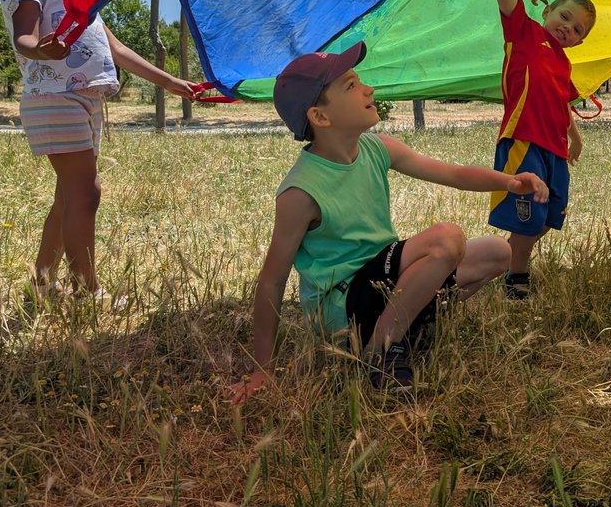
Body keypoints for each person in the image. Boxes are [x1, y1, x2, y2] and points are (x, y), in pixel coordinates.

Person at [229, 42, 549, 403]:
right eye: (350, 86)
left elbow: (453, 173)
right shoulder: (301, 192)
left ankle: (405, 323)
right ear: (320, 117)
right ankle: (380, 352)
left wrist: (507, 181)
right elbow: (272, 280)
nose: (368, 89)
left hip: (383, 280)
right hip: (344, 306)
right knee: (446, 239)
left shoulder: (376, 147)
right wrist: (262, 368)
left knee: (498, 251)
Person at [0, 0, 196, 302]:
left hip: (84, 99)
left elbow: (115, 48)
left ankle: (42, 282)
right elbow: (24, 37)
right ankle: (87, 290)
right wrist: (41, 49)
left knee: (69, 195)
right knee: (87, 193)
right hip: (55, 96)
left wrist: (169, 80)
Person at [490, 0, 595, 300]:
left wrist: (575, 139)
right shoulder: (524, 32)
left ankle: (511, 253)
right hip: (524, 141)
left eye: (577, 30)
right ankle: (516, 277)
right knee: (529, 217)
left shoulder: (563, 64)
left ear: (579, 42)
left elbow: (561, 102)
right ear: (547, 11)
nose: (568, 28)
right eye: (565, 17)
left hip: (555, 151)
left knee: (552, 214)